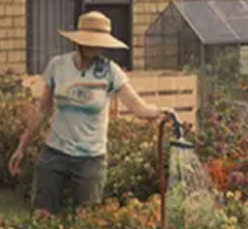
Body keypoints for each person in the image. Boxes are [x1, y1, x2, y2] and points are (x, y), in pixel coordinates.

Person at [9, 11, 172, 213]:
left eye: (97, 42)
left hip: (90, 160)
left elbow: (138, 107)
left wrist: (159, 112)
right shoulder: (58, 66)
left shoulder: (110, 72)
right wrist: (21, 147)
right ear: (78, 40)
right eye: (88, 41)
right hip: (54, 154)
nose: (92, 46)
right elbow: (43, 110)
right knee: (42, 217)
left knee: (87, 223)